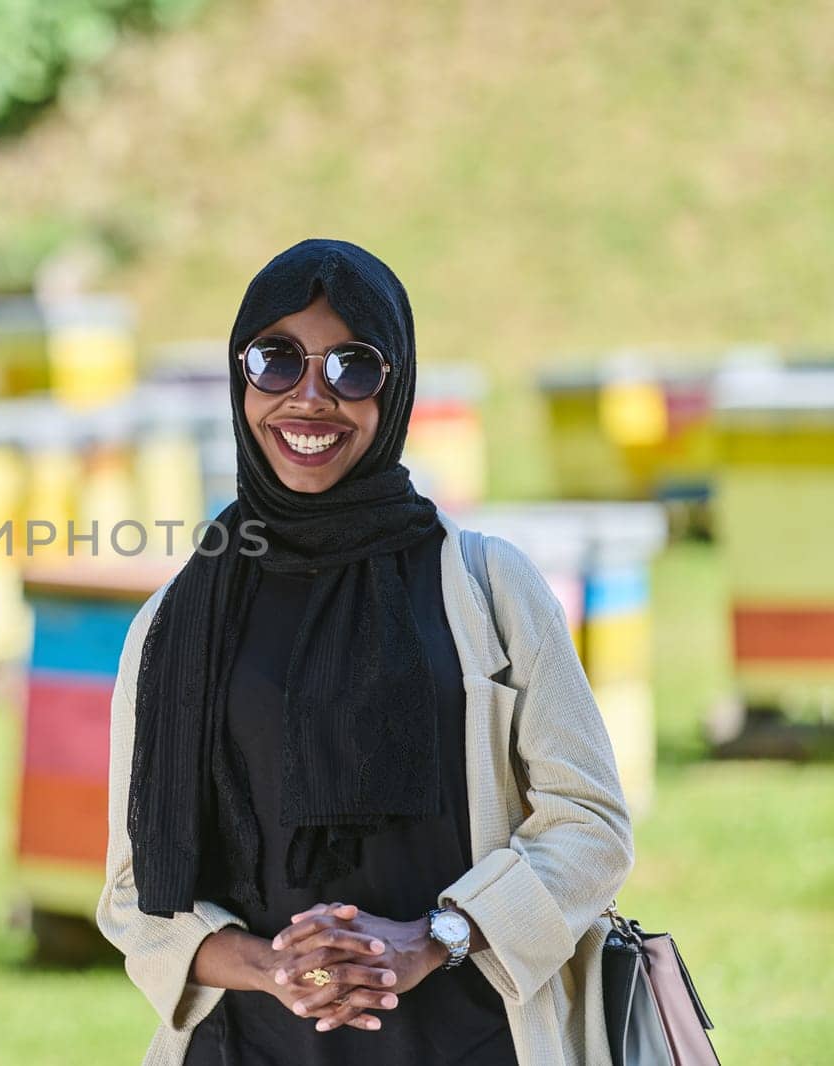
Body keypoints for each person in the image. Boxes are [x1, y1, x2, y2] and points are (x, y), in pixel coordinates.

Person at [96, 239, 634, 1066]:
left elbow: (588, 825)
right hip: (248, 1048)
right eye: (277, 361)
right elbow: (136, 897)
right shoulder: (175, 622)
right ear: (240, 376)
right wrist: (274, 967)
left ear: (399, 384)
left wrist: (432, 937)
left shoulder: (487, 589)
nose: (310, 399)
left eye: (353, 367)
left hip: (474, 1044)